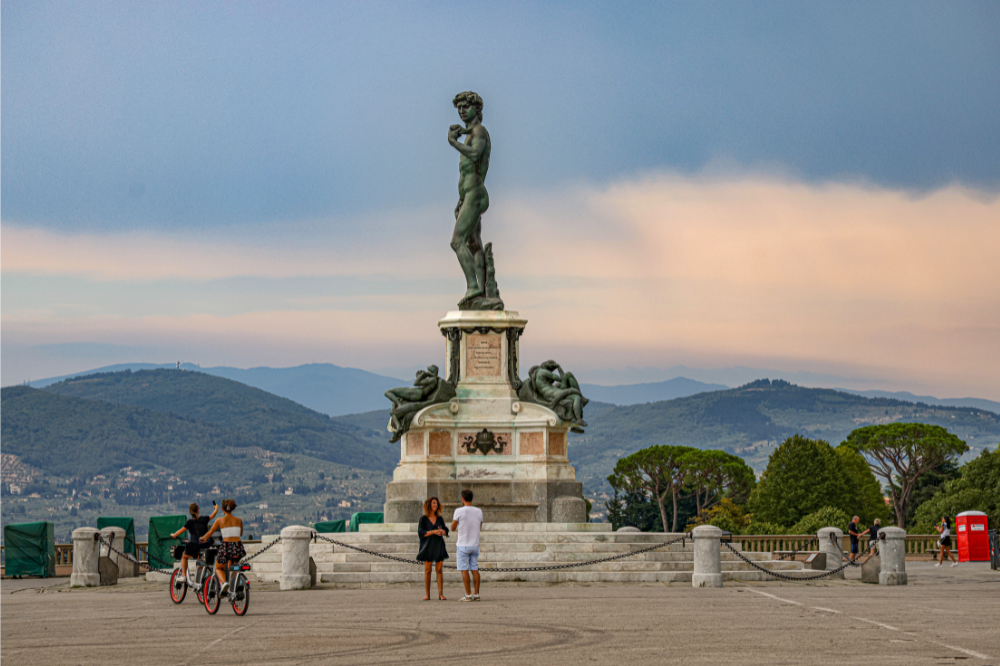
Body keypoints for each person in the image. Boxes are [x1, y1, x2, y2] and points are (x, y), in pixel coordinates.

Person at [448, 91, 492, 305]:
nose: (462, 110)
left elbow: (475, 155)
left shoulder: (479, 131)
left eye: (466, 106)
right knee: (473, 244)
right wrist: (461, 199)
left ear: (477, 109)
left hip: (475, 193)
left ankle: (473, 287)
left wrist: (452, 142)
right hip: (468, 196)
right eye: (459, 108)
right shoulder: (469, 133)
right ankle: (482, 293)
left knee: (457, 241)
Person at [201, 498, 245, 596]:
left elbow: (209, 533)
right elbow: (240, 533)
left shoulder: (220, 520)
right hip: (238, 546)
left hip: (226, 546)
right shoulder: (239, 520)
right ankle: (233, 586)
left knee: (219, 568)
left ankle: (225, 583)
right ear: (233, 509)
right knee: (232, 566)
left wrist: (203, 538)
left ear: (223, 509)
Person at [170, 500, 219, 584]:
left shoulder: (189, 523)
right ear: (198, 510)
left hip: (195, 546)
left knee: (184, 557)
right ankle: (199, 578)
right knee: (200, 559)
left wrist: (174, 535)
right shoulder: (204, 519)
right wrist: (216, 509)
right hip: (206, 544)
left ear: (190, 512)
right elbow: (213, 515)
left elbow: (180, 532)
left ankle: (184, 576)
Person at [450, 489, 484, 602]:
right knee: (475, 569)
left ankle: (468, 595)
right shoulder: (479, 511)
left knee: (464, 570)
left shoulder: (459, 511)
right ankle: (477, 594)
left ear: (463, 499)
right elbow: (480, 526)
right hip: (474, 544)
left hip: (463, 544)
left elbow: (453, 527)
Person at [417, 497, 450, 601]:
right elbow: (421, 533)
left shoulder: (439, 518)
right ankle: (427, 594)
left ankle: (441, 594)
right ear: (429, 505)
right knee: (428, 570)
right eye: (433, 503)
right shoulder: (423, 519)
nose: (436, 505)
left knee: (439, 570)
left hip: (438, 545)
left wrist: (443, 532)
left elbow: (445, 530)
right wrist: (433, 532)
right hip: (427, 546)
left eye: (437, 503)